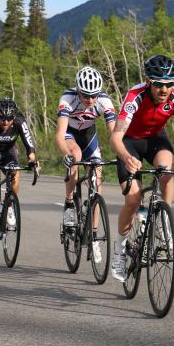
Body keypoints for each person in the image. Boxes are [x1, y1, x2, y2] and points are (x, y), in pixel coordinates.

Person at [109, 54, 174, 282]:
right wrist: (125, 157)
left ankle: (163, 223)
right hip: (129, 142)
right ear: (149, 81)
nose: (165, 89)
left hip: (155, 139)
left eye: (170, 83)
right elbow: (115, 137)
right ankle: (120, 251)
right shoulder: (135, 95)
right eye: (159, 84)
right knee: (132, 200)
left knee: (166, 169)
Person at [55, 66, 116, 262]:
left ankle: (94, 236)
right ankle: (69, 204)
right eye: (86, 95)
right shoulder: (67, 98)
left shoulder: (105, 101)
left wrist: (123, 154)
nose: (90, 100)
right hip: (70, 135)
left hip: (89, 136)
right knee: (76, 155)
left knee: (97, 184)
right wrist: (65, 153)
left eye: (94, 96)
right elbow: (59, 135)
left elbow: (115, 134)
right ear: (78, 90)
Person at [0, 97, 38, 245]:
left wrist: (32, 158)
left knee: (16, 174)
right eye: (2, 118)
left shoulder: (19, 122)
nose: (5, 122)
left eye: (9, 118)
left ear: (14, 116)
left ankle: (10, 204)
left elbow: (29, 143)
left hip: (8, 154)